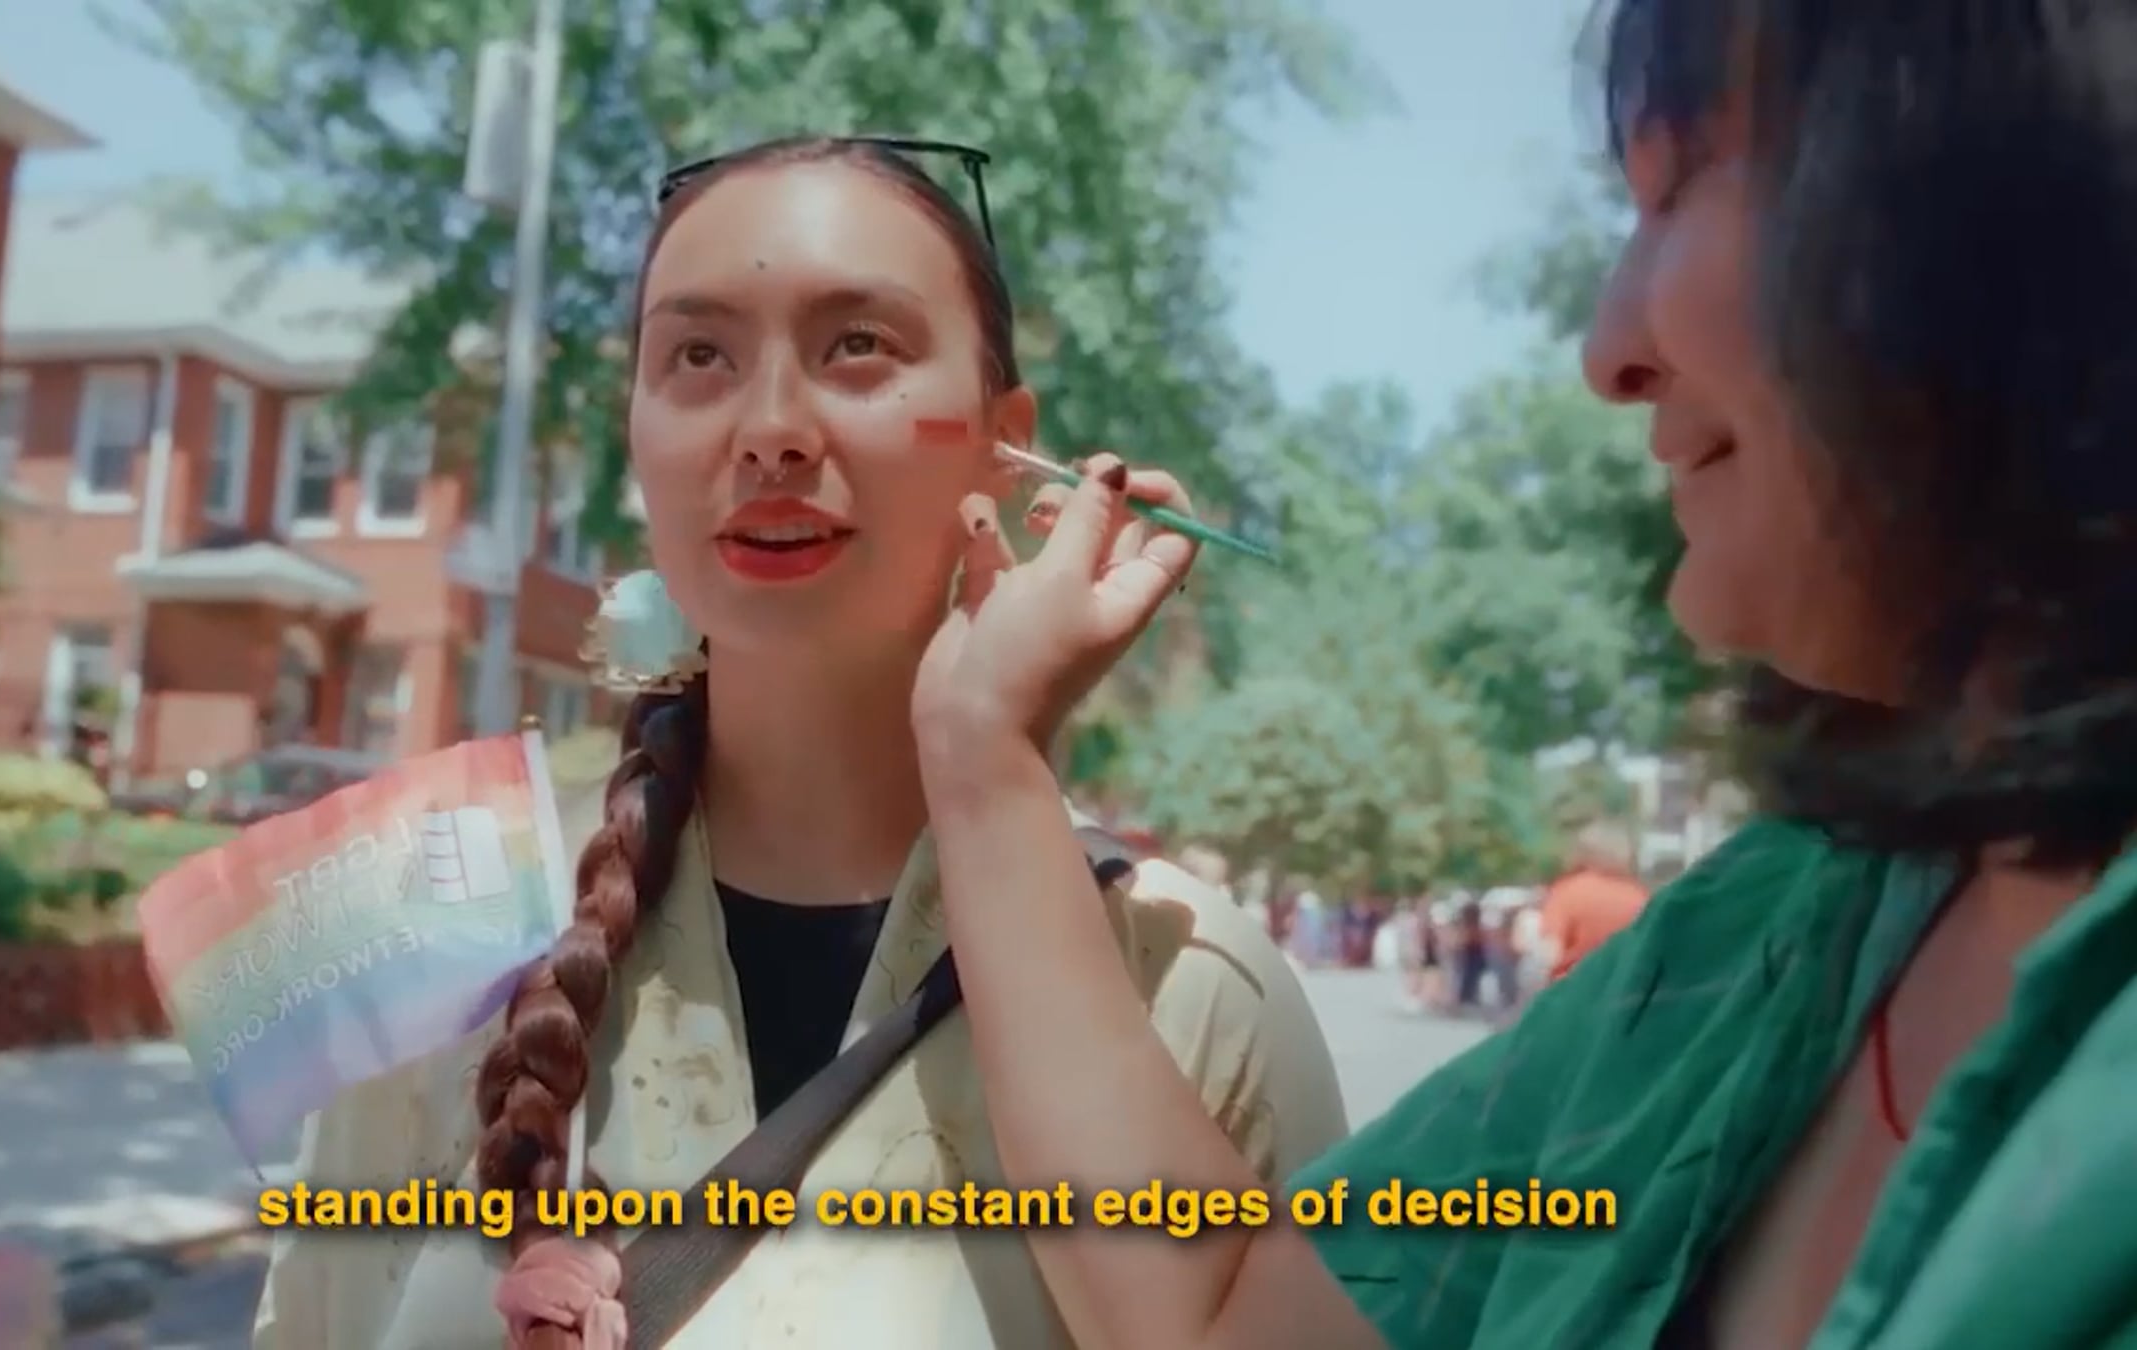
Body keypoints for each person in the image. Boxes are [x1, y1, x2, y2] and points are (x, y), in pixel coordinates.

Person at [902, 1, 2137, 1346]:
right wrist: (984, 744)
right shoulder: (1762, 935)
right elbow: (1227, 1313)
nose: (1608, 352)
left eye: (1677, 191)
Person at [249, 136, 1346, 1350]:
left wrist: (988, 750)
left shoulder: (1193, 981)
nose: (770, 430)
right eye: (698, 356)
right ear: (635, 433)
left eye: (858, 345)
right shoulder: (435, 932)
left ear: (1005, 441)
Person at [1534, 821, 1650, 982]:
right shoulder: (1640, 897)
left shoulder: (1569, 892)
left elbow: (1550, 952)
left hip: (1575, 987)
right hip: (1625, 988)